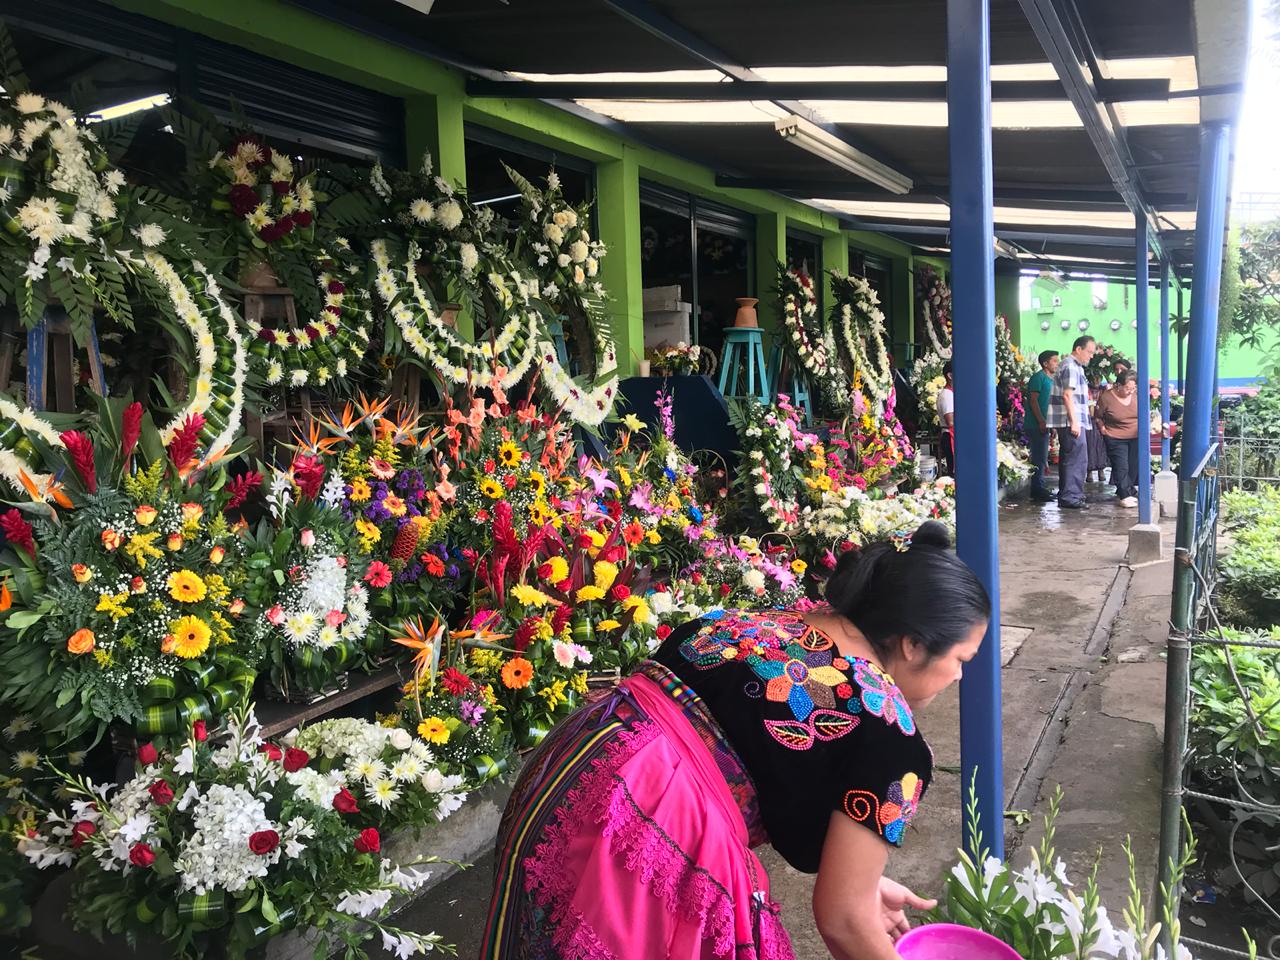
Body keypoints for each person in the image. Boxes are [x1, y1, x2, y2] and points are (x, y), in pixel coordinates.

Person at [482, 521, 991, 960]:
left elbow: (779, 759)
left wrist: (860, 882)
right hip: (648, 823)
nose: (960, 677)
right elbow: (843, 919)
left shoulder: (768, 623)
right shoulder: (894, 738)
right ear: (913, 643)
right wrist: (857, 903)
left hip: (576, 766)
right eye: (961, 661)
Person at [1047, 335, 1097, 509]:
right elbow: (1068, 395)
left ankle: (1068, 494)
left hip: (1071, 420)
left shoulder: (1074, 367)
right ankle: (1071, 496)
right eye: (1089, 352)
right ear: (1078, 349)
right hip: (1071, 421)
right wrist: (1074, 422)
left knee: (1071, 457)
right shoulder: (1070, 366)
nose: (1091, 356)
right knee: (1076, 458)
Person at [1096, 369, 1140, 506]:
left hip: (1135, 435)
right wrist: (1102, 428)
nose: (1130, 391)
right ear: (1118, 385)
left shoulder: (1137, 395)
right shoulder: (1106, 397)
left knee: (1133, 466)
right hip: (1115, 436)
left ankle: (1128, 489)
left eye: (1133, 388)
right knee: (1121, 466)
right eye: (1127, 388)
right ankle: (1124, 494)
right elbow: (1098, 416)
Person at [1024, 350, 1059, 502]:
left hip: (1045, 424)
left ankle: (1040, 486)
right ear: (1045, 363)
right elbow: (1033, 401)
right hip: (1035, 424)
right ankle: (1037, 489)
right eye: (1054, 361)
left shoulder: (1050, 380)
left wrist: (1053, 425)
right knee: (1038, 457)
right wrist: (1041, 421)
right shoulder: (1038, 378)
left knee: (1043, 456)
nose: (1057, 364)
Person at [936, 361, 955, 476]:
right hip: (950, 436)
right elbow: (951, 421)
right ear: (950, 375)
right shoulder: (947, 395)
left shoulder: (951, 393)